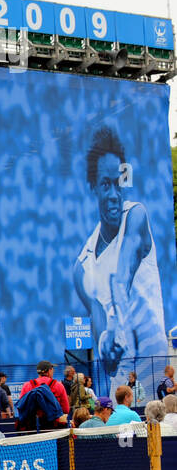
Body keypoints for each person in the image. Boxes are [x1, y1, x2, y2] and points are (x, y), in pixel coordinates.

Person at [73, 126, 168, 400]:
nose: (114, 193)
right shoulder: (81, 266)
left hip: (154, 358)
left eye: (119, 183)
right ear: (93, 187)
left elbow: (123, 272)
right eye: (105, 184)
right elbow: (97, 316)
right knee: (124, 439)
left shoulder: (136, 215)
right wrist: (107, 342)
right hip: (122, 373)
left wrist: (115, 321)